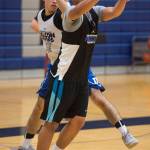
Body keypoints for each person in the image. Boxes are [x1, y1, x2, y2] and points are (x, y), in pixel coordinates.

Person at [18, 0, 138, 150]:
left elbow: (113, 12)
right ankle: (26, 143)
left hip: (80, 72)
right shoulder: (69, 14)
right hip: (62, 70)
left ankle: (124, 132)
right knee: (46, 115)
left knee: (83, 114)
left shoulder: (88, 12)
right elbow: (67, 12)